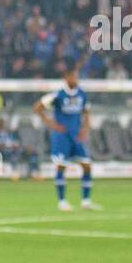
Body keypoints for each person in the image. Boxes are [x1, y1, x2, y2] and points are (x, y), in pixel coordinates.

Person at [35, 67, 100, 211]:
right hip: (62, 136)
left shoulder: (82, 94)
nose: (76, 80)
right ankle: (62, 201)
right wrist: (51, 124)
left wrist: (85, 129)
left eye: (77, 77)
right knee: (61, 166)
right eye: (74, 77)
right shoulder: (58, 95)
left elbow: (87, 112)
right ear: (67, 78)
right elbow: (38, 107)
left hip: (77, 136)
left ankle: (86, 201)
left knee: (87, 165)